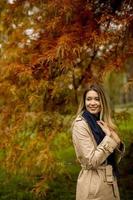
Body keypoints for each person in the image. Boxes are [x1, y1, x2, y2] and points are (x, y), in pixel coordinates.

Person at [72, 83, 125, 200]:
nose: (92, 103)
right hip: (94, 185)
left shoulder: (102, 122)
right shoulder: (80, 125)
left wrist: (117, 141)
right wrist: (110, 139)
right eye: (88, 99)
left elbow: (114, 157)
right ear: (84, 102)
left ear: (102, 102)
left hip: (110, 181)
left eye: (97, 99)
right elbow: (91, 161)